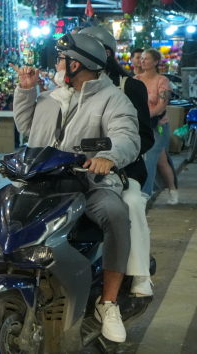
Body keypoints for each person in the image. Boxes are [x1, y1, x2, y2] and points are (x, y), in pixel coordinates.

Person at [14, 33, 140, 343]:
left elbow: (128, 136)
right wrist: (26, 91)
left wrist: (107, 157)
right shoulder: (51, 96)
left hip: (89, 185)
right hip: (44, 182)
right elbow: (27, 128)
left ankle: (107, 303)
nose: (54, 65)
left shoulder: (113, 99)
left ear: (75, 63)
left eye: (59, 59)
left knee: (116, 215)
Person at [78, 26, 155, 296]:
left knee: (131, 202)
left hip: (126, 168)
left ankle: (140, 273)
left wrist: (113, 154)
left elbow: (145, 136)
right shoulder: (73, 87)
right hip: (83, 168)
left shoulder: (129, 87)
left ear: (104, 54)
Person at [135, 49, 177, 202]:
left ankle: (145, 193)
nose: (143, 61)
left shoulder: (162, 80)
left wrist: (145, 115)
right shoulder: (136, 80)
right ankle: (173, 189)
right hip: (141, 126)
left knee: (150, 157)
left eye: (146, 59)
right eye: (142, 58)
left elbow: (162, 105)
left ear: (156, 62)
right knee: (162, 161)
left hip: (158, 126)